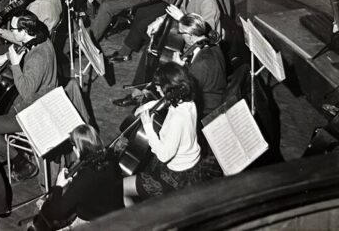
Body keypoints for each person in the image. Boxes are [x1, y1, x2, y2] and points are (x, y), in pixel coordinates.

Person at [0, 11, 57, 182]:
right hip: (45, 96)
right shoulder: (41, 38)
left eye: (12, 29)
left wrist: (14, 64)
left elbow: (26, 93)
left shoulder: (37, 58)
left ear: (24, 32)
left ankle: (22, 163)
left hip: (36, 109)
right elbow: (19, 41)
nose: (11, 31)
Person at [122, 62, 202, 204]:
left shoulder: (178, 118)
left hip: (174, 176)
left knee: (121, 189)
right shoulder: (188, 102)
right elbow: (167, 102)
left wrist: (148, 128)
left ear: (170, 88)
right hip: (191, 165)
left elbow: (164, 155)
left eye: (159, 85)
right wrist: (149, 105)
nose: (156, 88)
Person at [30, 125, 124, 230]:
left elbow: (58, 213)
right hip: (109, 210)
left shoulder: (86, 175)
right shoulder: (109, 160)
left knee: (35, 222)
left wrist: (59, 186)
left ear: (77, 149)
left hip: (92, 221)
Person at [173, 13, 226, 117]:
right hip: (217, 93)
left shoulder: (201, 62)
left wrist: (179, 68)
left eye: (181, 32)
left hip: (206, 109)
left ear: (190, 35)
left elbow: (188, 92)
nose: (180, 35)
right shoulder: (215, 47)